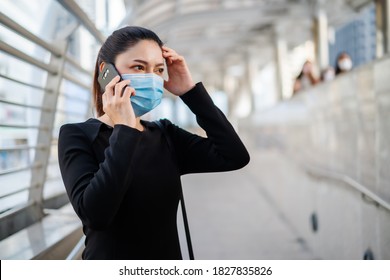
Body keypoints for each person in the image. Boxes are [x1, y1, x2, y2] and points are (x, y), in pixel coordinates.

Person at [57, 26, 250, 260]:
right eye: (139, 67)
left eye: (159, 70)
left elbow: (234, 156)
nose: (150, 77)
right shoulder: (77, 136)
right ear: (106, 72)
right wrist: (125, 128)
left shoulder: (165, 134)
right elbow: (95, 214)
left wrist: (190, 92)